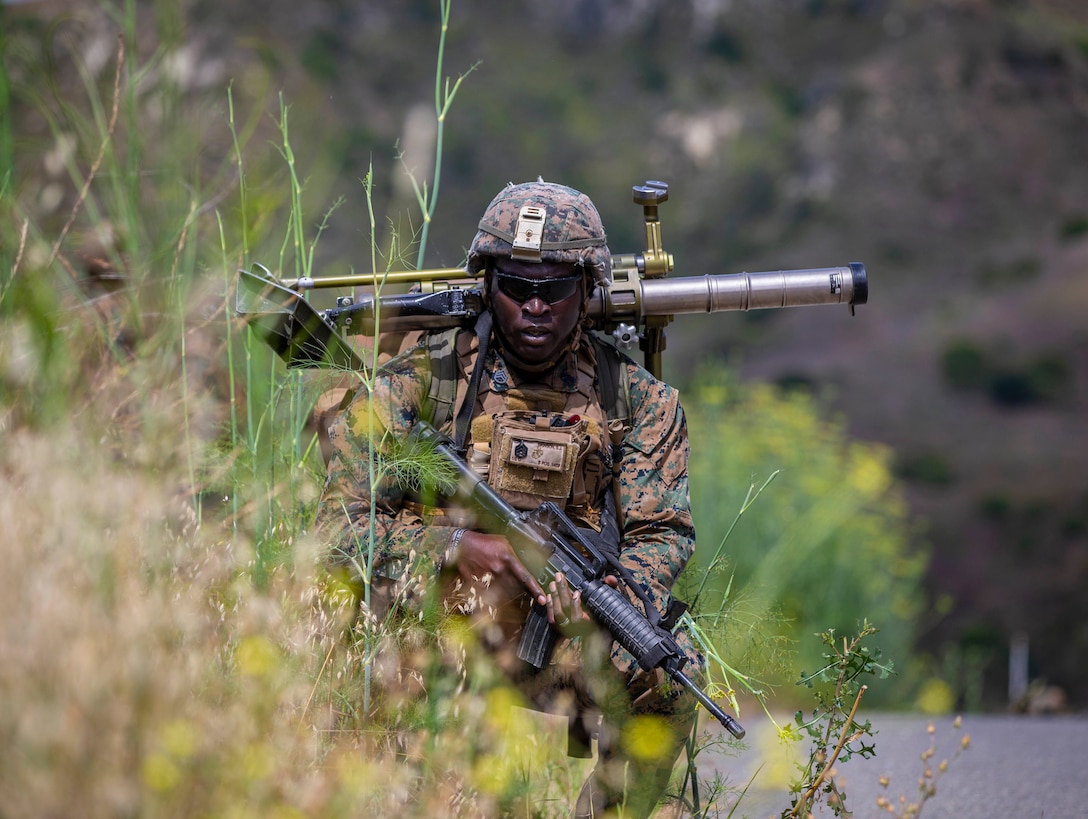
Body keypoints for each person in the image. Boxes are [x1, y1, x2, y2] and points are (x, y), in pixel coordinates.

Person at [317, 179, 702, 817]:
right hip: (439, 624)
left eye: (554, 289)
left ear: (587, 289)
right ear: (487, 284)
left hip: (559, 633)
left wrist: (607, 597)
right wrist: (452, 547)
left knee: (666, 677)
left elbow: (662, 534)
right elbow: (338, 529)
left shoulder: (634, 401)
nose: (535, 307)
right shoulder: (419, 386)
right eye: (516, 286)